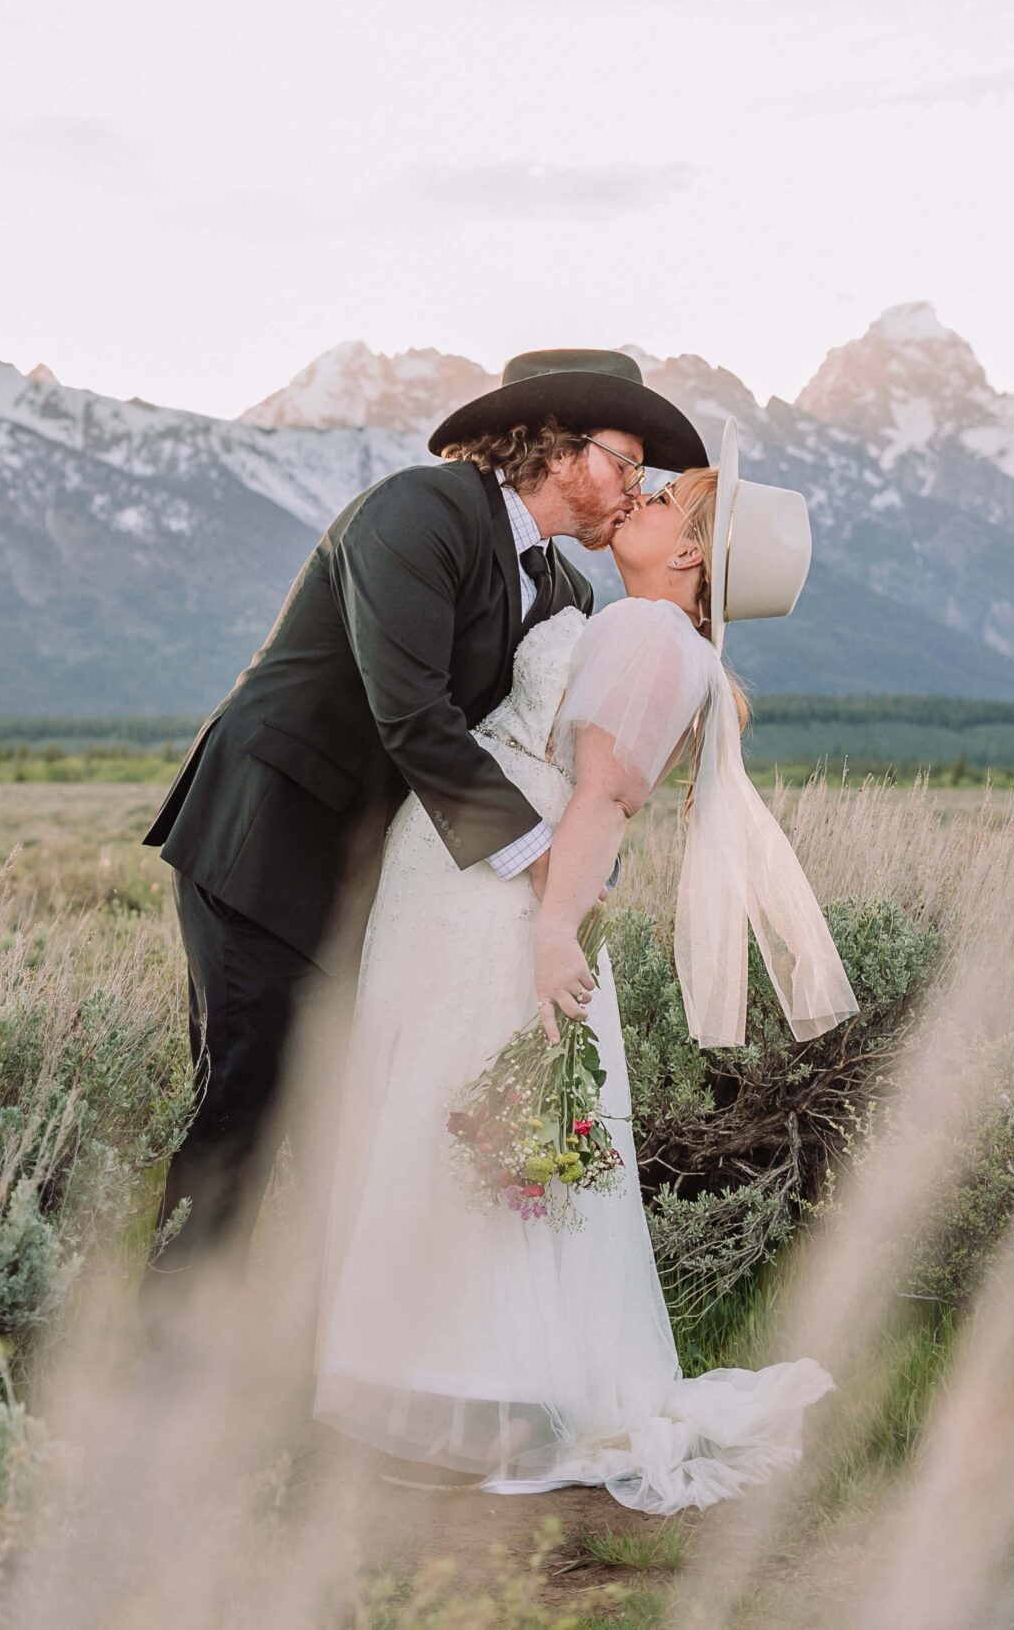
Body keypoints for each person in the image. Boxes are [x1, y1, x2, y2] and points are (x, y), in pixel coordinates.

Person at [310, 428, 860, 1514]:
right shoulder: (641, 624)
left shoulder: (654, 634)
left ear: (692, 558)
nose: (640, 499)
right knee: (453, 1114)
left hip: (501, 901)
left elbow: (601, 797)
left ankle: (462, 1392)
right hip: (478, 877)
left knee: (459, 1114)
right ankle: (452, 1384)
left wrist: (554, 931)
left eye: (665, 500)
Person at [140, 351, 709, 1311]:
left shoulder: (565, 593)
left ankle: (301, 1355)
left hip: (380, 877)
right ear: (562, 448)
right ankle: (166, 1358)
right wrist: (536, 860)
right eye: (627, 462)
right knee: (245, 1100)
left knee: (339, 1112)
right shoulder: (418, 511)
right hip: (266, 840)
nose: (635, 489)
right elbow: (411, 712)